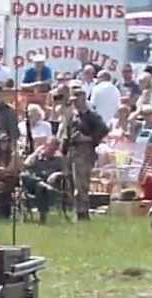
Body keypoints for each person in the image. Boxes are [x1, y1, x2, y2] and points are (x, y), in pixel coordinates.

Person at [58, 85, 108, 221]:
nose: (75, 103)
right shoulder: (72, 116)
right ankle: (76, 210)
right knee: (71, 183)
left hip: (84, 151)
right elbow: (66, 134)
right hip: (72, 151)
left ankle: (83, 212)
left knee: (81, 184)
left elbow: (103, 130)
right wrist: (63, 151)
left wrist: (89, 138)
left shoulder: (91, 116)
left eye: (77, 99)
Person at [21, 137, 66, 223]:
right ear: (45, 145)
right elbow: (25, 165)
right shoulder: (37, 156)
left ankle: (42, 217)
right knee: (24, 175)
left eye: (54, 149)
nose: (51, 150)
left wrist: (56, 174)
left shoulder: (58, 159)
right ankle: (41, 183)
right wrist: (35, 153)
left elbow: (66, 173)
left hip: (49, 185)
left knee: (40, 187)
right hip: (32, 185)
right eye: (50, 147)